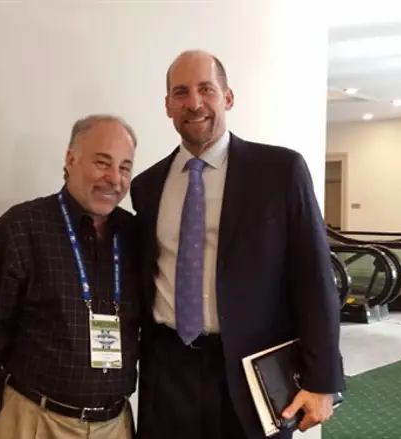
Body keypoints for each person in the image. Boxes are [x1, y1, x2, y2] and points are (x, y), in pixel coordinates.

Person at [129, 50, 346, 439]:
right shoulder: (146, 186)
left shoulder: (280, 171)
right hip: (167, 370)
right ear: (167, 106)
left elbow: (314, 278)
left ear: (228, 97)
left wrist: (323, 379)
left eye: (206, 89)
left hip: (251, 373)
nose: (193, 103)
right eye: (180, 92)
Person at [0, 114, 142, 439]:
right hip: (35, 422)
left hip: (115, 426)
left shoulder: (136, 236)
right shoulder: (22, 228)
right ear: (70, 160)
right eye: (102, 162)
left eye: (124, 167)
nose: (114, 178)